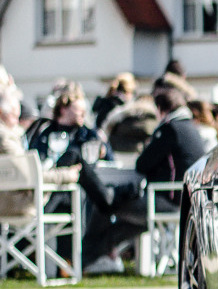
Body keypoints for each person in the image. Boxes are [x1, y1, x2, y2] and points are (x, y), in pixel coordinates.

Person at [80, 87, 206, 271]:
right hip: (187, 201)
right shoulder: (191, 128)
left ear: (160, 108)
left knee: (105, 203)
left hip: (167, 200)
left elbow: (143, 163)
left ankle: (87, 257)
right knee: (131, 224)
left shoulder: (170, 128)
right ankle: (99, 256)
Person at [0, 89, 80, 219]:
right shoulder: (5, 137)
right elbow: (30, 175)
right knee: (74, 162)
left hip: (9, 202)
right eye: (14, 116)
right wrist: (67, 175)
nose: (16, 122)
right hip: (16, 206)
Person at [27, 88, 113, 168]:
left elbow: (110, 160)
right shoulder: (46, 133)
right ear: (63, 109)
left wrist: (104, 152)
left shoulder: (88, 134)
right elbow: (37, 158)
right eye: (79, 111)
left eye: (84, 111)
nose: (83, 115)